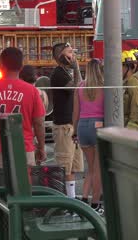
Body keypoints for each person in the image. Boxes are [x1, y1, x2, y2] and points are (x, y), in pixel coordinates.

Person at [0, 47, 46, 202]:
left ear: (1, 66)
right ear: (21, 66)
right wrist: (41, 147)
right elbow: (39, 122)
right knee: (25, 196)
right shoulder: (31, 91)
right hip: (25, 149)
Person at [50, 42, 84, 199]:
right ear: (61, 56)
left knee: (74, 166)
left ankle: (72, 197)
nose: (73, 55)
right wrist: (76, 67)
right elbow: (74, 87)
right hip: (64, 126)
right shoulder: (58, 74)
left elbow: (82, 86)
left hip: (73, 124)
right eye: (70, 52)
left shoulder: (66, 72)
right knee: (65, 166)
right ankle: (66, 200)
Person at [72, 58, 104, 214]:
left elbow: (75, 112)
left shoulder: (80, 86)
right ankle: (96, 203)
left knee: (90, 168)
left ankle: (84, 199)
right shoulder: (105, 86)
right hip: (99, 125)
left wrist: (74, 131)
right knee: (99, 169)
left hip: (83, 126)